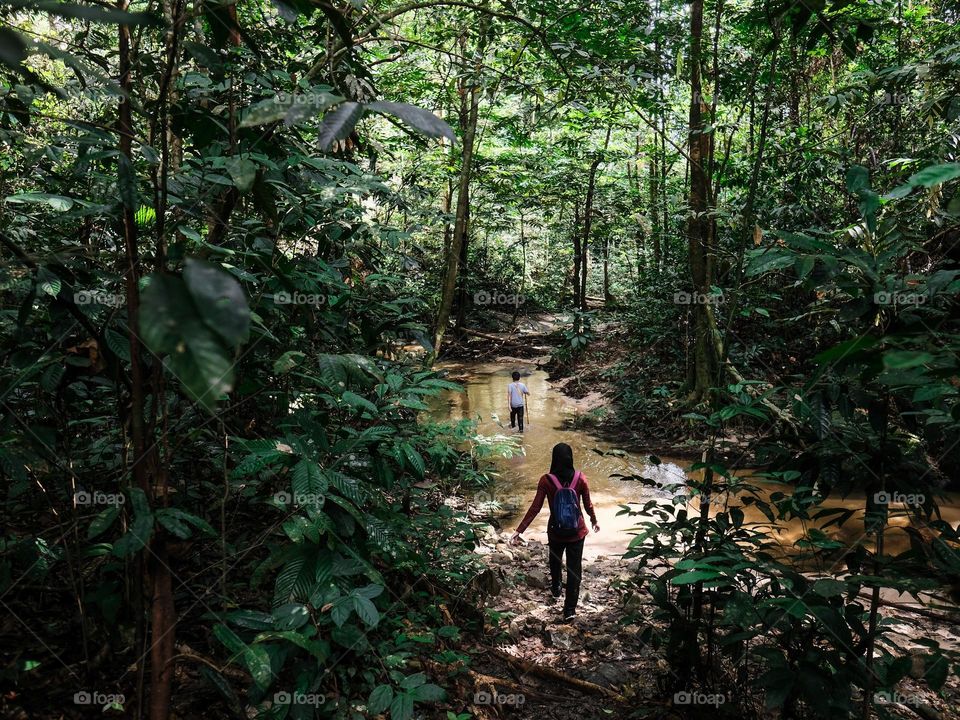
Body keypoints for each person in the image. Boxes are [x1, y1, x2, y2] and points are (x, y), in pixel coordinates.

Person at [510, 443, 599, 620]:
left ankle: (556, 587)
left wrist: (519, 530)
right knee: (575, 570)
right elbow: (588, 504)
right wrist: (594, 520)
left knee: (555, 560)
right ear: (570, 458)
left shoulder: (546, 480)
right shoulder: (581, 478)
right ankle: (569, 610)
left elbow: (535, 507)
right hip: (577, 532)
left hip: (555, 531)